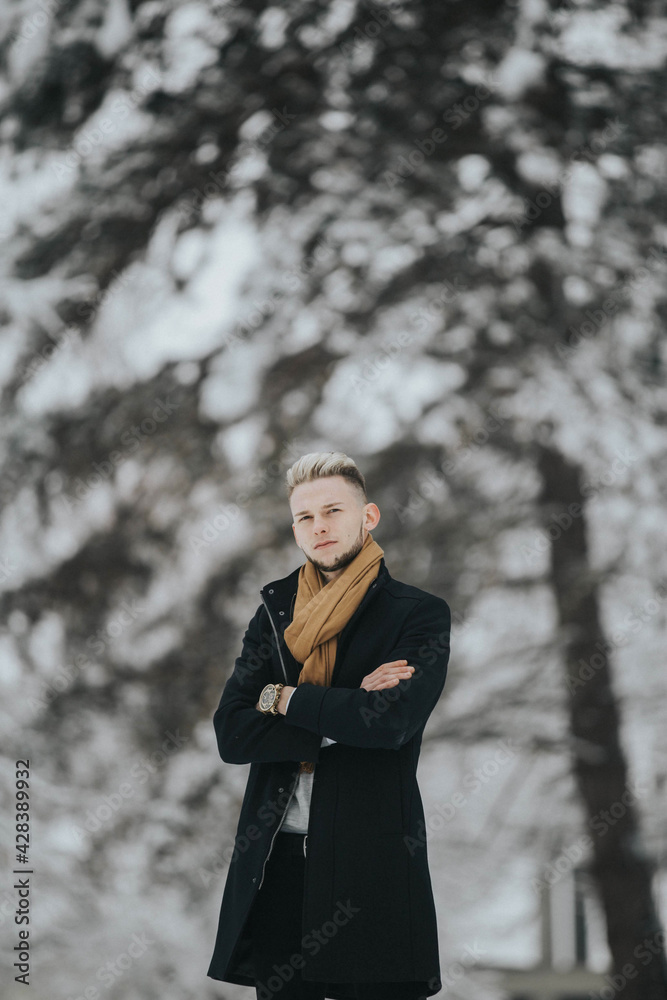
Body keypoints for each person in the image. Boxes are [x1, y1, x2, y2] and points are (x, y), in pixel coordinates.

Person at [207, 452, 451, 1000]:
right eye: (304, 517)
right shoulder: (275, 610)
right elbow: (232, 732)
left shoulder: (416, 613)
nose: (318, 526)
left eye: (332, 510)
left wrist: (283, 698)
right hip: (278, 862)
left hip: (374, 861)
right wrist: (340, 708)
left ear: (368, 516)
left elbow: (390, 722)